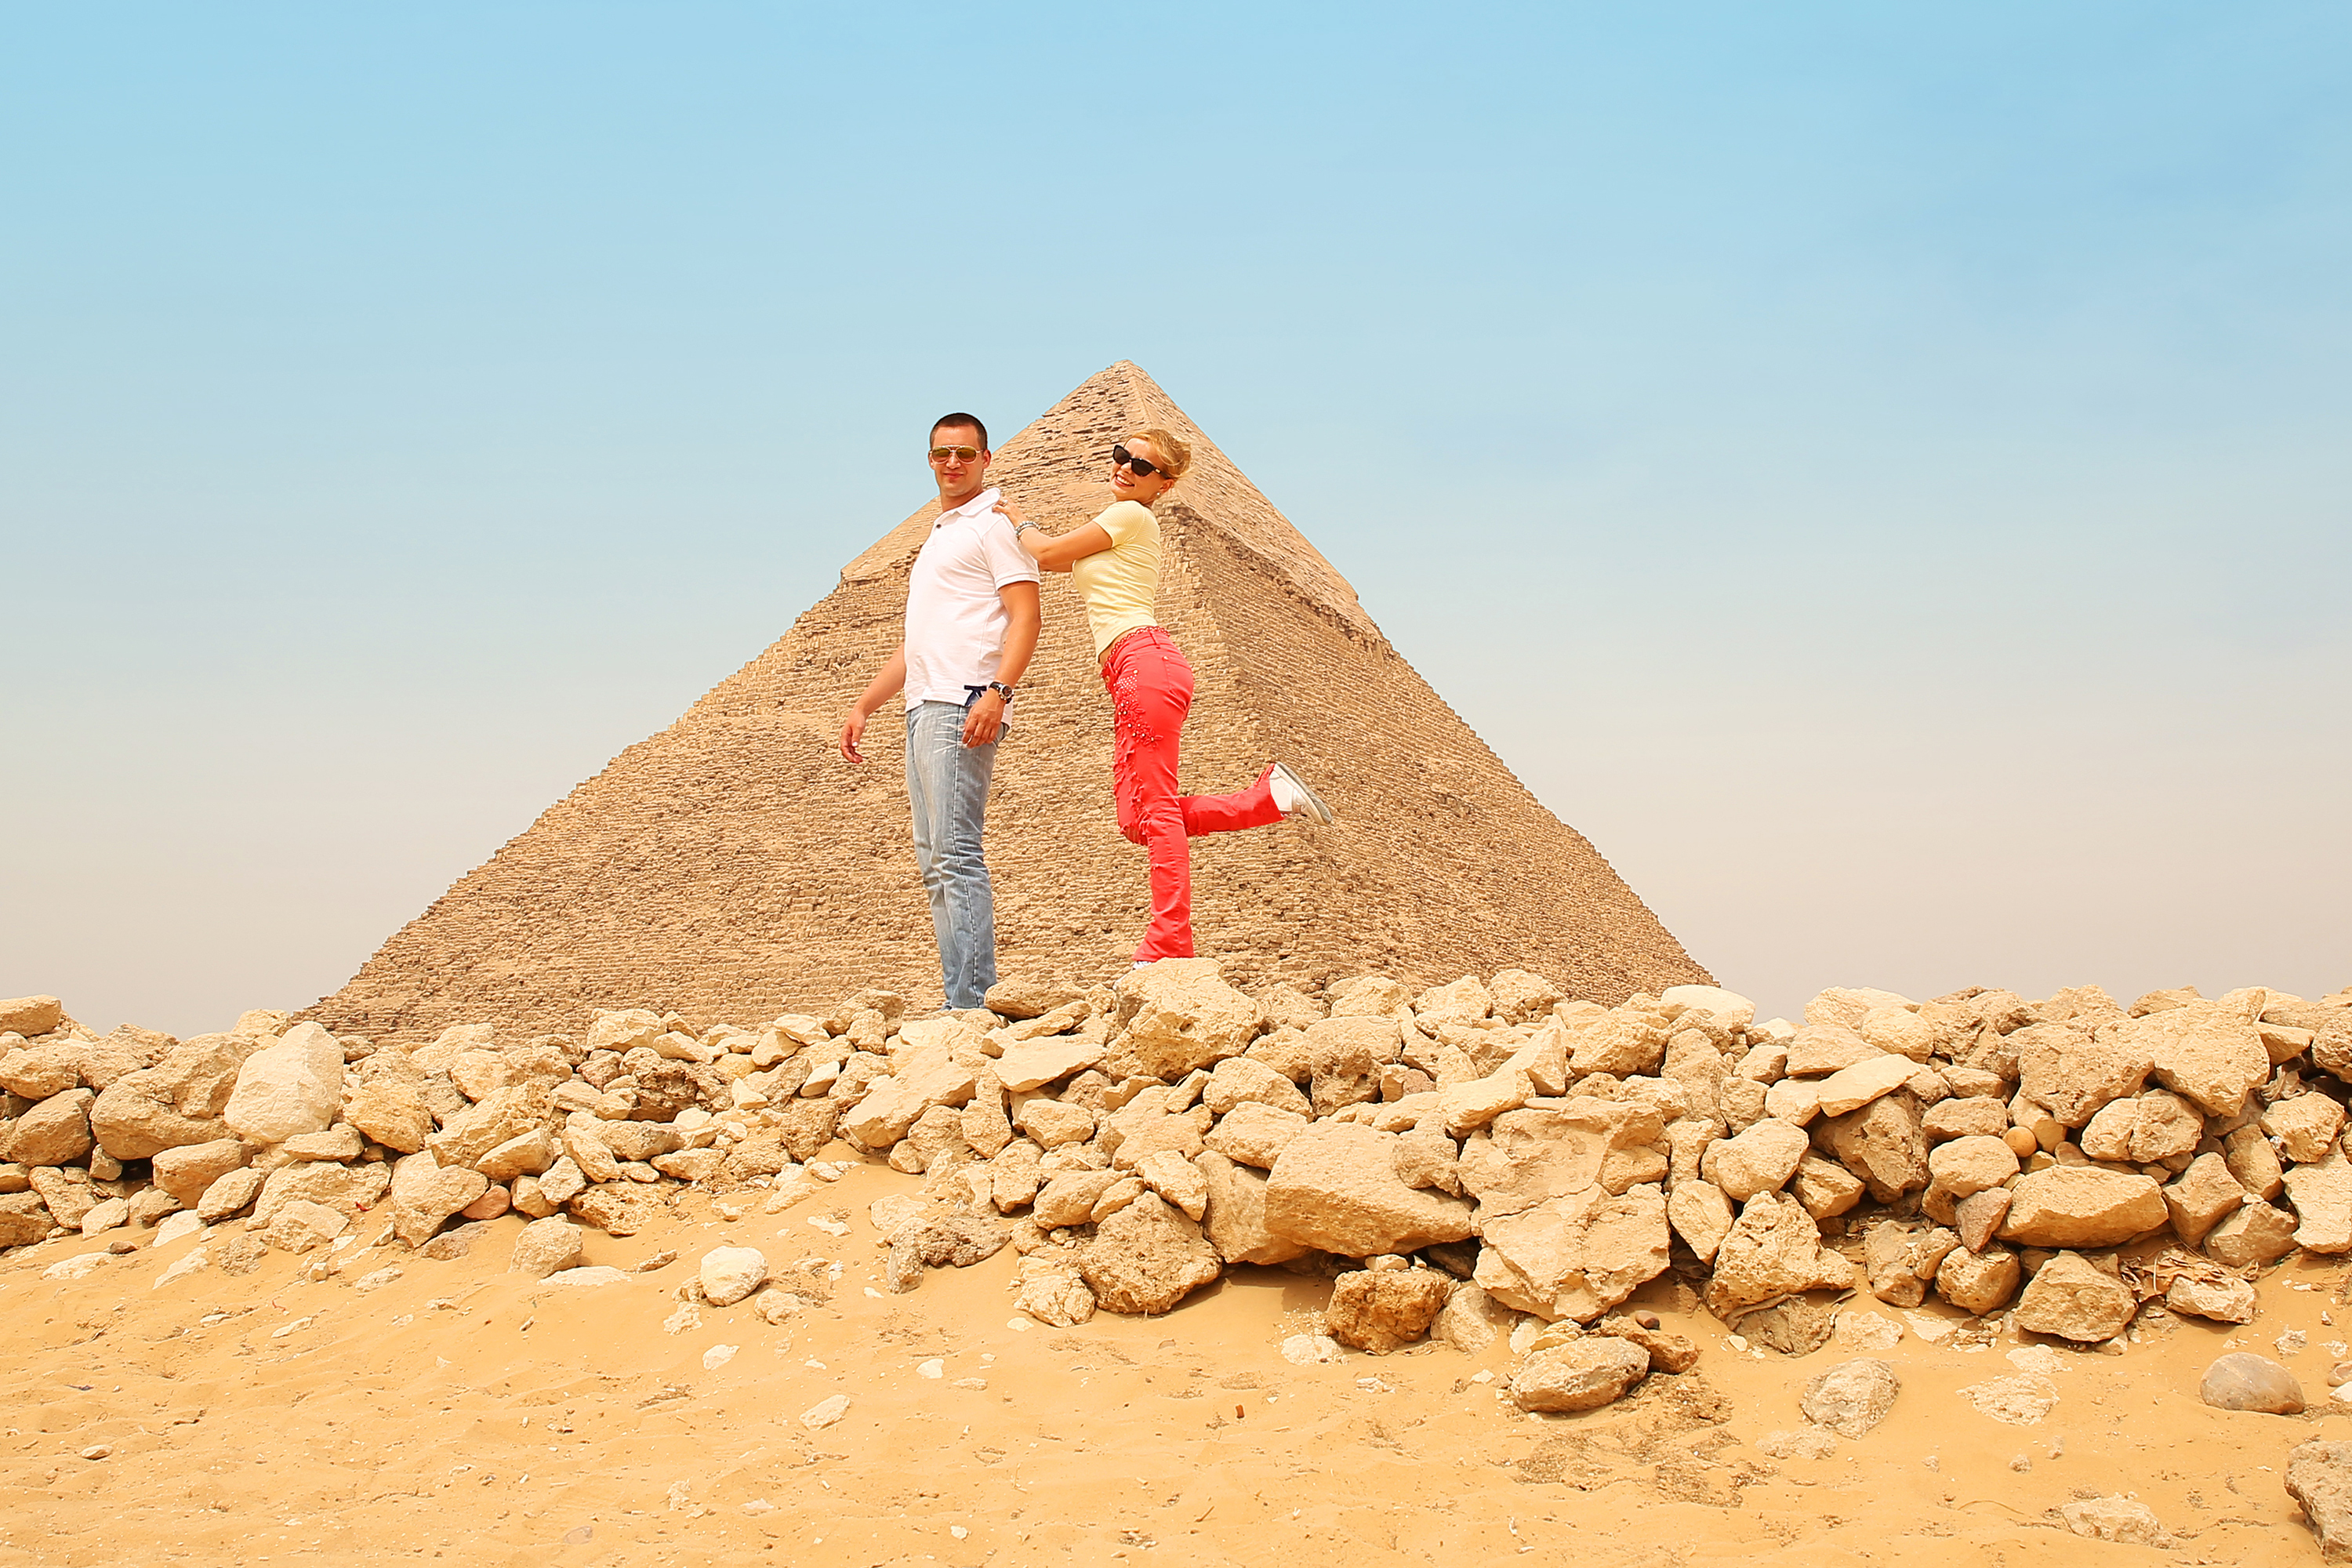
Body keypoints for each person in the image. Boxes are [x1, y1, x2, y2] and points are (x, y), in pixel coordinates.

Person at [994, 428, 1334, 967]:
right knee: (1138, 820)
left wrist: (1018, 518)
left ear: (1165, 484)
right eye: (1121, 455)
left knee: (1155, 807)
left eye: (1142, 466)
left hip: (1141, 663)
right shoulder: (1122, 522)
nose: (1125, 468)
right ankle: (1267, 799)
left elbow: (1048, 550)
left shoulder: (1131, 515)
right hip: (1133, 668)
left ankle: (1169, 941)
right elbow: (1056, 562)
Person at [837, 413, 1040, 1008]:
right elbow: (917, 640)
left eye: (965, 454)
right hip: (924, 703)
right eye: (941, 454)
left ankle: (972, 1004)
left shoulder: (994, 526)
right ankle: (962, 996)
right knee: (935, 862)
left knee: (955, 854)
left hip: (963, 701)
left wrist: (998, 692)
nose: (953, 464)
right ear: (929, 459)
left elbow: (1026, 616)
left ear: (986, 458)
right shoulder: (941, 534)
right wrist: (866, 704)